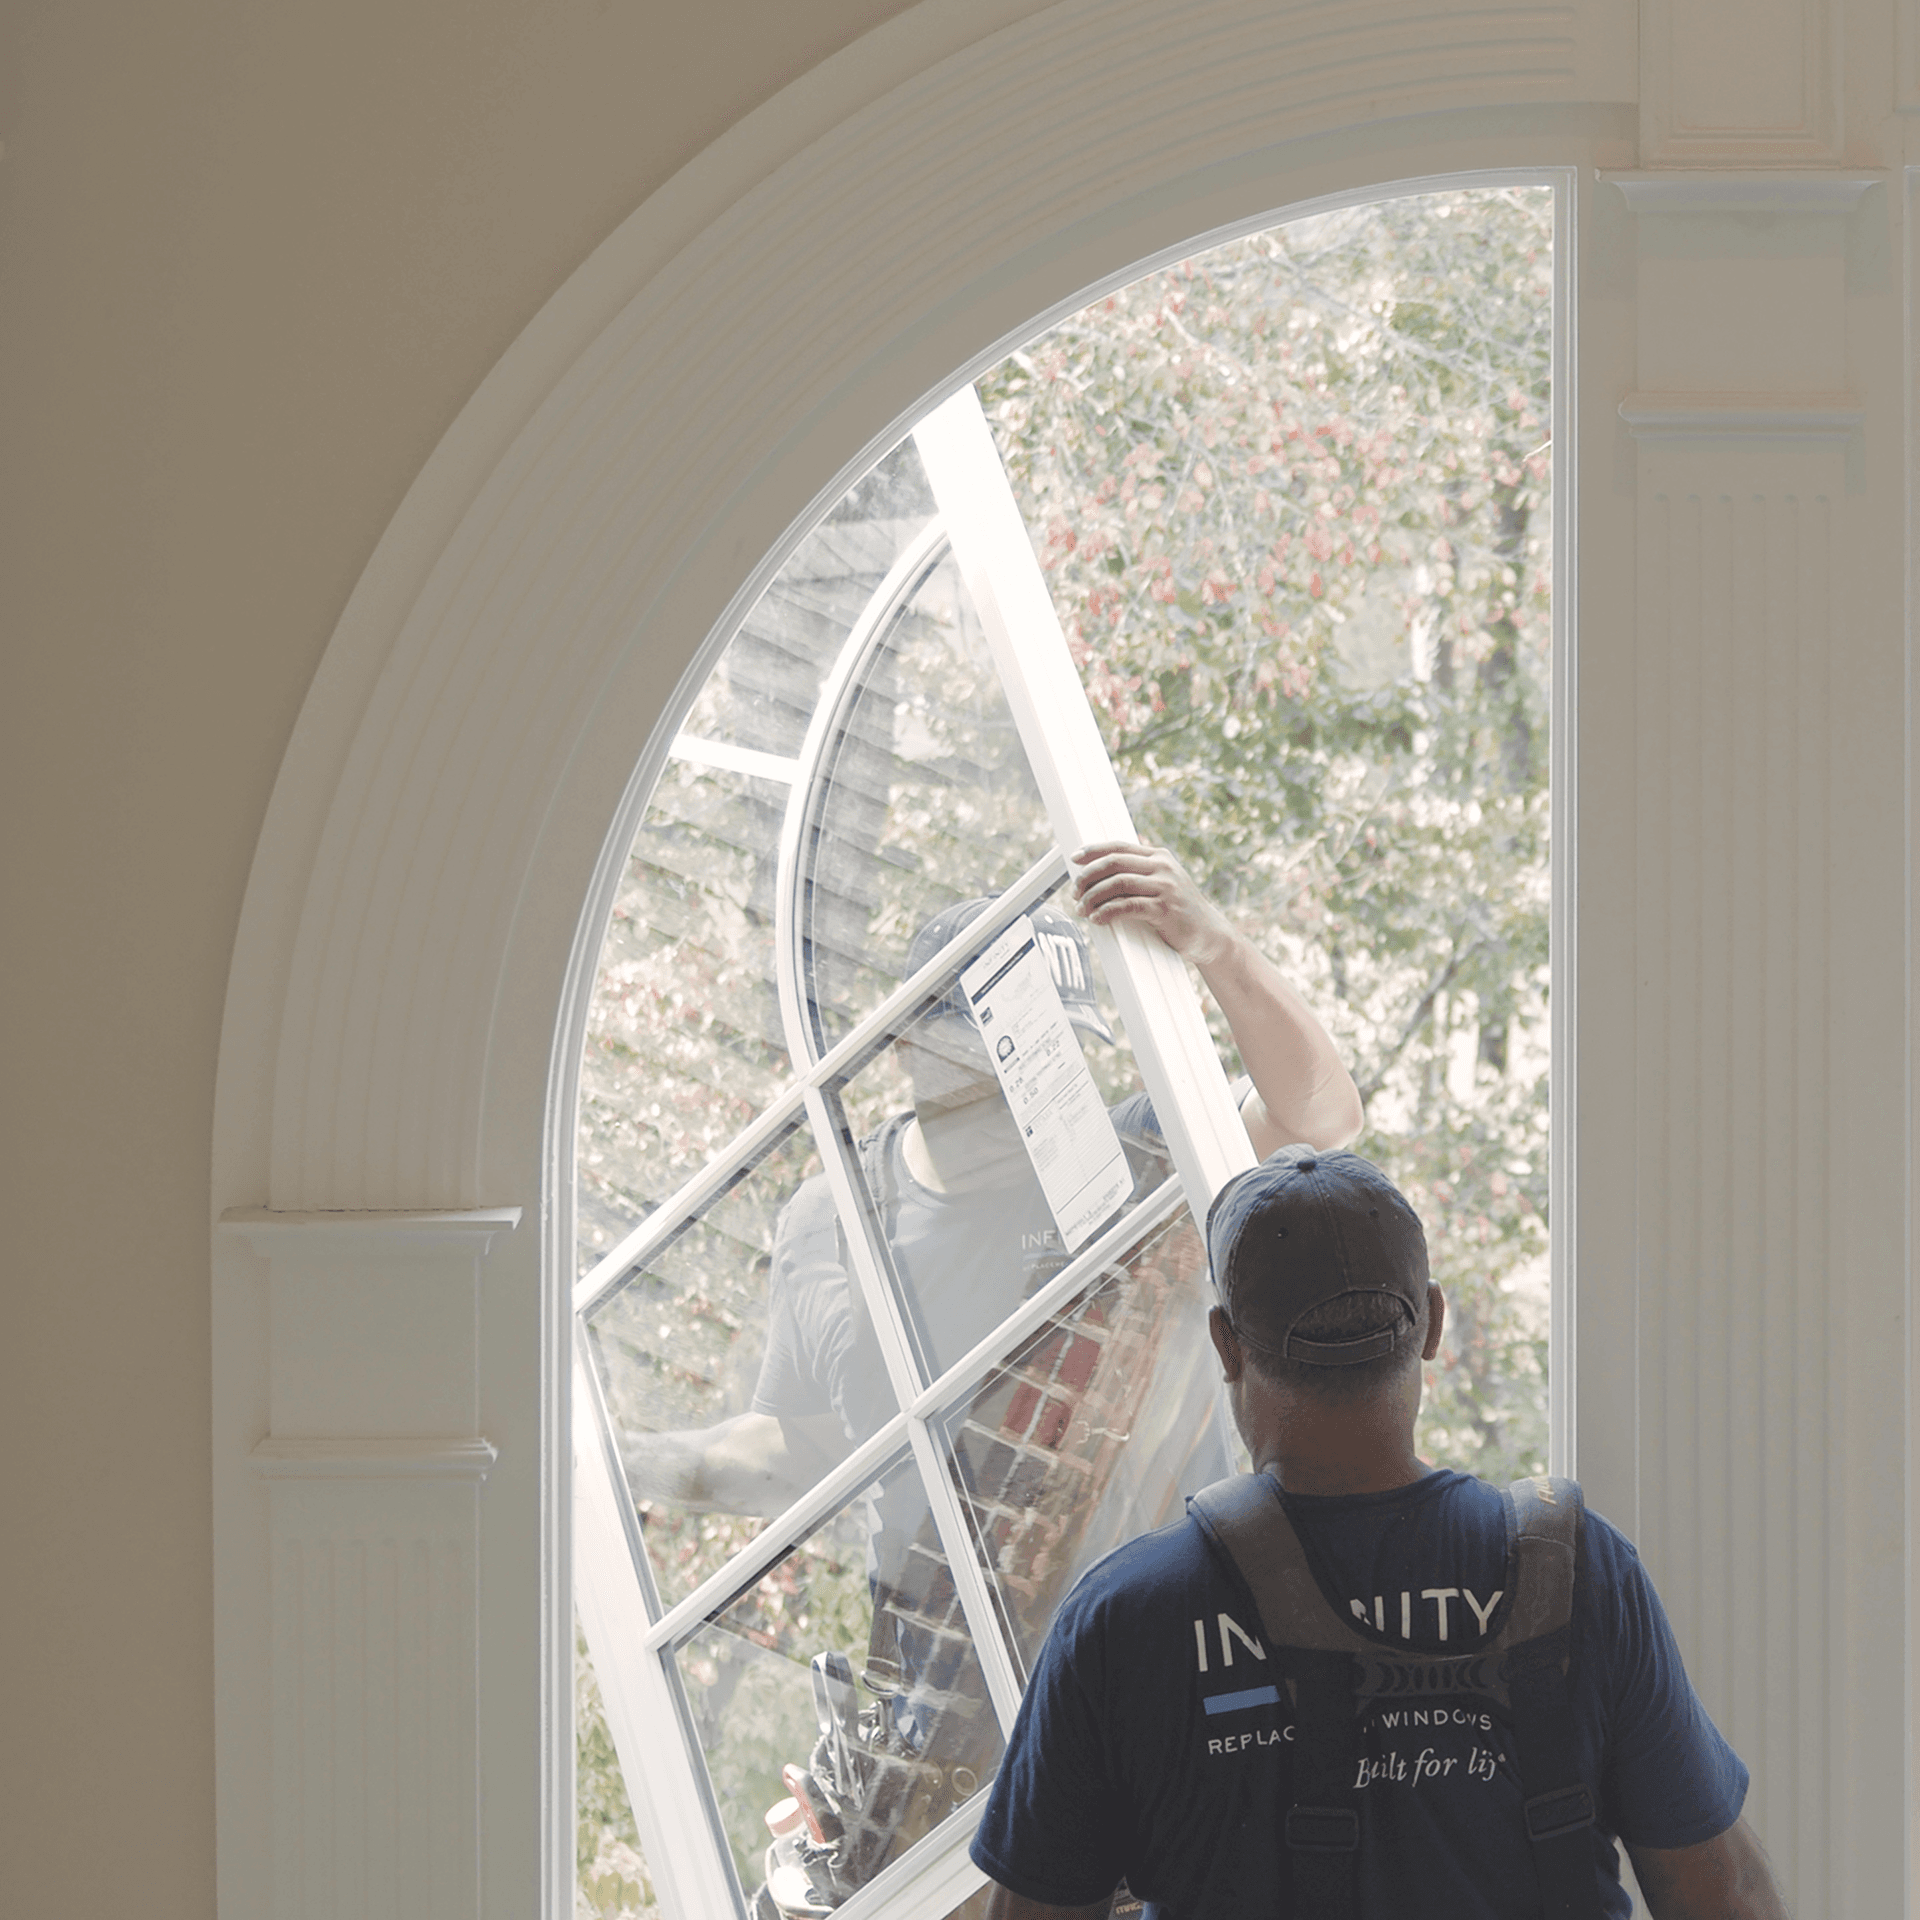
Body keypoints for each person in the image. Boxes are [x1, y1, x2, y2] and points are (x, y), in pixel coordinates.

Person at [970, 1147, 1792, 1920]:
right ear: (1432, 1323)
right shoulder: (1577, 1573)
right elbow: (1726, 1901)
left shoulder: (1124, 1617)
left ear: (1226, 1344)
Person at [620, 839, 1365, 1519]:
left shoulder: (1128, 1160)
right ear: (911, 1040)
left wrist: (1219, 947)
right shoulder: (832, 1219)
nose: (1031, 1082)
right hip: (953, 1650)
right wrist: (636, 1465)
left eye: (1058, 1051)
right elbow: (811, 1445)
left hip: (1157, 1631)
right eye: (1002, 1050)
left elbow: (1321, 1120)